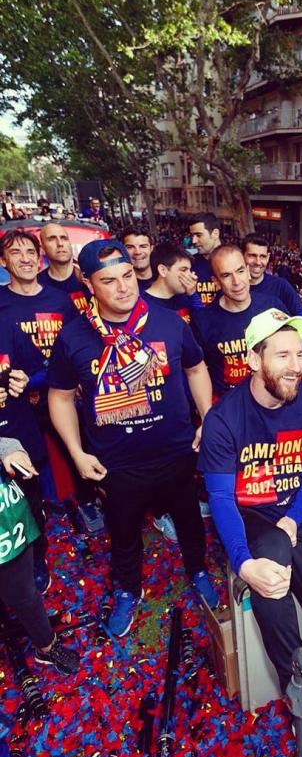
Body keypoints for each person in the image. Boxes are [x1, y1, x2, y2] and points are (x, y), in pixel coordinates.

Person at [198, 308, 302, 757]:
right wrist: (243, 563)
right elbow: (222, 499)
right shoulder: (224, 419)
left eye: (300, 353)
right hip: (253, 519)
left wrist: (295, 518)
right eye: (282, 354)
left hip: (301, 518)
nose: (296, 364)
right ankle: (300, 692)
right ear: (254, 359)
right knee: (270, 579)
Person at [47, 239, 218, 637]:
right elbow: (59, 397)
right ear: (89, 284)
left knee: (190, 520)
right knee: (123, 534)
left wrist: (207, 417)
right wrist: (75, 452)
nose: (124, 287)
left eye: (127, 276)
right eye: (109, 281)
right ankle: (127, 589)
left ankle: (197, 570)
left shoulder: (168, 322)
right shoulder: (74, 337)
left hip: (176, 450)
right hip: (116, 461)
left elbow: (195, 369)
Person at [0, 437, 81, 674]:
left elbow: (7, 441)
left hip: (5, 527)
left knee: (24, 596)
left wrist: (10, 450)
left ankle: (47, 647)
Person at [191, 245, 277, 400]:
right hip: (227, 408)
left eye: (240, 271)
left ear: (248, 271)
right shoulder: (202, 320)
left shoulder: (272, 307)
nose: (236, 281)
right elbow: (196, 371)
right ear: (216, 282)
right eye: (226, 275)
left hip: (269, 402)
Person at [0, 230, 77, 362]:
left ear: (38, 259)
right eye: (15, 252)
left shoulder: (61, 300)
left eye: (31, 252)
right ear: (3, 261)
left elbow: (77, 347)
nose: (25, 259)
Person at [241, 234, 302, 316]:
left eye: (262, 256)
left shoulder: (281, 286)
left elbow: (301, 315)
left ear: (268, 257)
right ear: (241, 256)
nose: (258, 262)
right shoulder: (233, 288)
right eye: (252, 256)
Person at [143, 243, 201, 324]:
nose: (191, 276)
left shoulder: (186, 297)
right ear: (163, 270)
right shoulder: (142, 306)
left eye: (189, 270)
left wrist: (193, 294)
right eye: (184, 270)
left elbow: (204, 326)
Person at [37, 222, 89, 313]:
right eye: (52, 239)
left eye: (64, 238)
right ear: (42, 249)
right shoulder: (36, 284)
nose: (60, 243)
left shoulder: (89, 277)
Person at [188, 212, 223, 305]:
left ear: (215, 233)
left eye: (199, 235)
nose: (194, 241)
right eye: (192, 236)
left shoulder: (235, 260)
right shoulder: (189, 264)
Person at [120, 224, 155, 292]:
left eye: (143, 246)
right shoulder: (123, 288)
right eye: (130, 247)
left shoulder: (166, 278)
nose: (138, 252)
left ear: (151, 249)